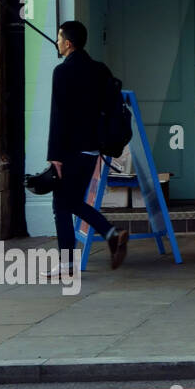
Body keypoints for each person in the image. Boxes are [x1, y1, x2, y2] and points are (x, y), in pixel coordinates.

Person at [46, 20, 128, 278]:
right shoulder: (100, 69)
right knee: (72, 201)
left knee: (61, 204)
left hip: (70, 150)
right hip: (94, 149)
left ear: (68, 43)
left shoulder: (62, 72)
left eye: (60, 38)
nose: (57, 42)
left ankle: (69, 263)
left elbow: (58, 116)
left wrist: (55, 156)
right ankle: (111, 234)